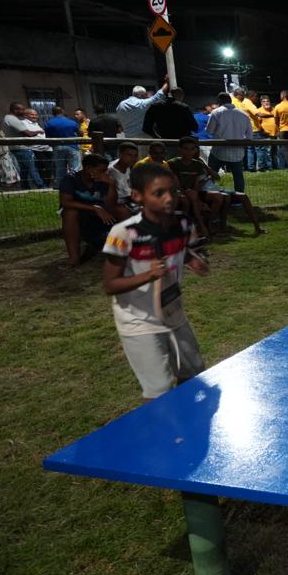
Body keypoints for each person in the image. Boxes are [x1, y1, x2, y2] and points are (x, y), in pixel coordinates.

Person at [102, 162, 210, 399]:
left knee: (194, 375)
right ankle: (161, 423)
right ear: (137, 195)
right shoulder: (123, 233)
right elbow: (110, 285)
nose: (169, 199)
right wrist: (147, 275)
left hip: (173, 313)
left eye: (173, 191)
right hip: (139, 321)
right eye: (159, 193)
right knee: (159, 390)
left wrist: (193, 261)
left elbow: (183, 251)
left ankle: (188, 420)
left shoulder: (183, 223)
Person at [58, 151, 123, 265]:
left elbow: (111, 204)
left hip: (99, 215)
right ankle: (74, 258)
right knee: (70, 213)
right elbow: (66, 202)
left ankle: (129, 245)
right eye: (101, 170)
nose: (105, 173)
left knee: (122, 210)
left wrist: (111, 185)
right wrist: (95, 208)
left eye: (105, 170)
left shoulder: (102, 180)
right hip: (80, 215)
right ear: (88, 168)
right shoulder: (71, 178)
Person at [205, 92, 252, 193]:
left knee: (210, 175)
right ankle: (239, 197)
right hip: (237, 152)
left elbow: (209, 131)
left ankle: (208, 194)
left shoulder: (216, 112)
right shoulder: (244, 114)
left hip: (218, 151)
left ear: (219, 101)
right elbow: (249, 136)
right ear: (230, 101)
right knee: (238, 177)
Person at [43, 106, 81, 185]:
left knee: (60, 168)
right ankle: (75, 184)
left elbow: (48, 138)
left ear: (53, 113)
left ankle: (60, 185)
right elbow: (80, 133)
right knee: (75, 167)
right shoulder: (72, 122)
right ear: (63, 112)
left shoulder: (48, 123)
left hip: (58, 147)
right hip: (72, 146)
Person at [21, 108, 54, 187]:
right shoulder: (23, 123)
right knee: (46, 168)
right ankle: (43, 186)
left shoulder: (36, 123)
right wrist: (39, 132)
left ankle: (44, 185)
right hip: (36, 149)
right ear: (26, 115)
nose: (35, 116)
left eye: (36, 114)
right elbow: (28, 134)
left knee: (44, 168)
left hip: (47, 149)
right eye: (32, 114)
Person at [107, 141, 141, 212]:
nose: (133, 158)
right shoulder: (111, 171)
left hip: (128, 199)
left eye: (135, 155)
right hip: (118, 202)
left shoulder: (127, 165)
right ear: (120, 155)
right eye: (129, 155)